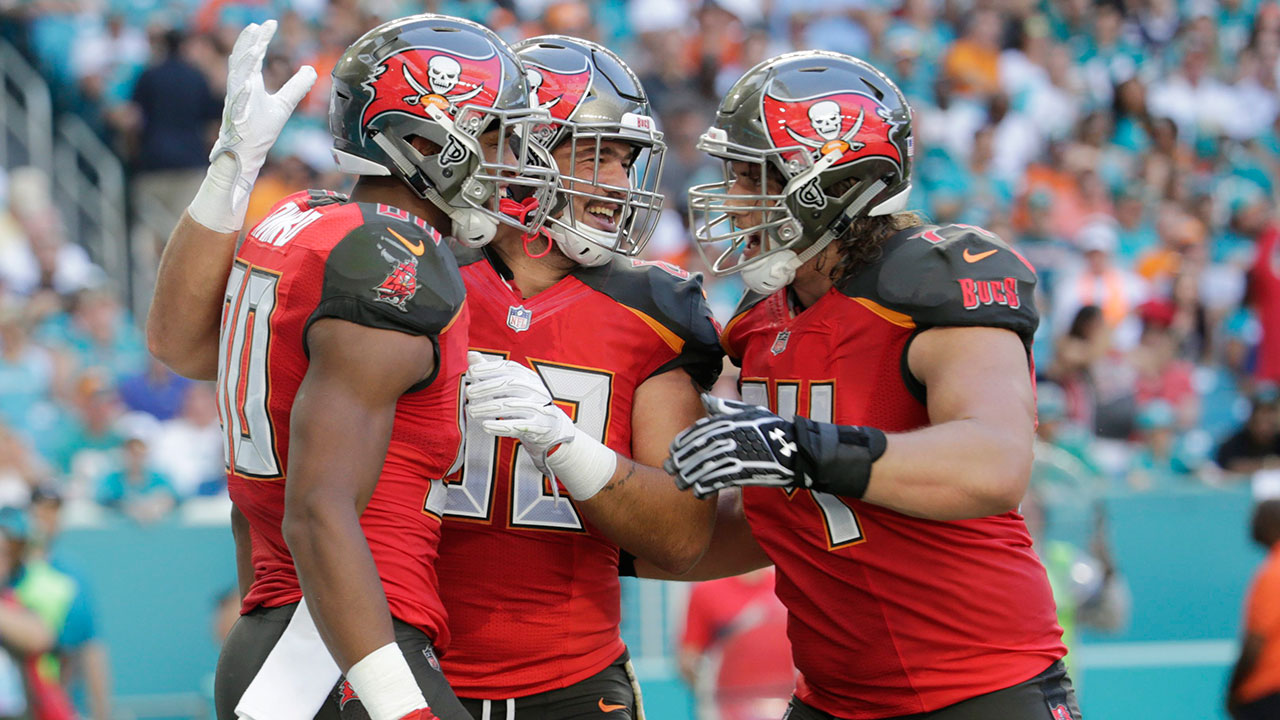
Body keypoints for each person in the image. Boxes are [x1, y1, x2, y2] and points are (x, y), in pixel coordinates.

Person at [145, 16, 558, 720]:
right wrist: (400, 705)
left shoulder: (307, 217)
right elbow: (319, 511)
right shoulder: (395, 258)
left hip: (288, 638)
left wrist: (229, 173)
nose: (514, 159)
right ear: (424, 142)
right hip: (339, 647)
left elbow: (180, 344)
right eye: (496, 135)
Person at [662, 51, 1078, 719]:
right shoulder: (761, 322)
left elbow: (995, 463)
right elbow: (778, 523)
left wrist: (799, 448)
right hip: (834, 698)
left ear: (830, 182)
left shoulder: (931, 279)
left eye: (750, 176)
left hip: (979, 687)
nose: (732, 200)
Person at [437, 36, 723, 719]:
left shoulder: (656, 309)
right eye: (596, 156)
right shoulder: (420, 274)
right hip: (415, 662)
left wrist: (565, 445)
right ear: (516, 152)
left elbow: (680, 537)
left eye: (626, 160)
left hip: (573, 682)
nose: (620, 183)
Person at [679, 567, 794, 720]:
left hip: (786, 702)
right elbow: (689, 657)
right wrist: (707, 689)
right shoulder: (707, 592)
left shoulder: (788, 589)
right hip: (726, 705)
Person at [1227, 499, 1280, 719]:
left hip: (1269, 690)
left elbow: (1255, 641)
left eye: (1257, 518)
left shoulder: (1273, 574)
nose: (1252, 524)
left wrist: (1233, 689)